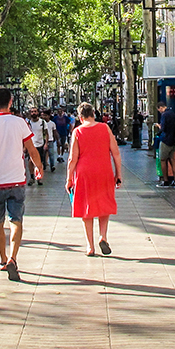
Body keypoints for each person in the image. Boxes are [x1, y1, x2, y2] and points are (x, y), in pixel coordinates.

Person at [0, 87, 45, 281]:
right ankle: (13, 257)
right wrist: (39, 167)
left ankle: (3, 259)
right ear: (11, 102)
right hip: (17, 179)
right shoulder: (20, 122)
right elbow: (31, 148)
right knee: (16, 220)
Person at [66, 102, 122, 256]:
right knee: (104, 203)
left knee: (86, 208)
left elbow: (72, 158)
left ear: (80, 117)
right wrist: (118, 174)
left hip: (84, 173)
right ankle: (103, 236)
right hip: (104, 171)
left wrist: (69, 178)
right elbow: (116, 152)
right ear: (93, 114)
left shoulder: (77, 132)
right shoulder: (105, 128)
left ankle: (90, 246)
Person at [155, 101, 175, 188]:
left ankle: (166, 181)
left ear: (160, 107)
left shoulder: (164, 115)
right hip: (173, 140)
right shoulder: (172, 113)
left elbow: (163, 128)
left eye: (159, 110)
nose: (159, 111)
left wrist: (158, 126)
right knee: (172, 160)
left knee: (163, 160)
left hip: (165, 140)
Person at [24, 107, 47, 185]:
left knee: (39, 162)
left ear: (38, 112)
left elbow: (46, 133)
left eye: (35, 111)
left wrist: (46, 143)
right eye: (32, 112)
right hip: (31, 145)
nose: (33, 113)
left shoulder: (43, 122)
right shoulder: (28, 123)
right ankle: (32, 177)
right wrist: (25, 146)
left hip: (40, 144)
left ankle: (39, 177)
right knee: (31, 161)